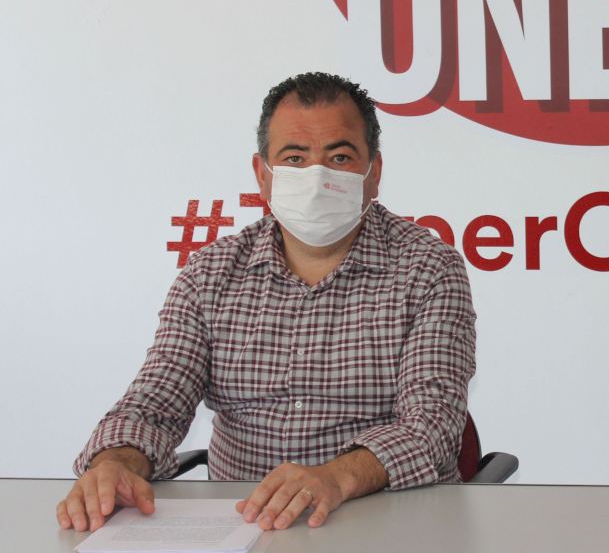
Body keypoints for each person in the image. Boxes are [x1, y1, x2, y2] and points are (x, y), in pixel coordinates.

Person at [57, 72, 476, 532]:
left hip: (383, 521)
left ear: (373, 173)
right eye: (294, 159)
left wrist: (335, 478)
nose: (316, 178)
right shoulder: (209, 274)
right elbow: (154, 404)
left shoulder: (429, 270)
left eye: (339, 157)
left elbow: (432, 425)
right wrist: (115, 463)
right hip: (243, 525)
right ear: (263, 175)